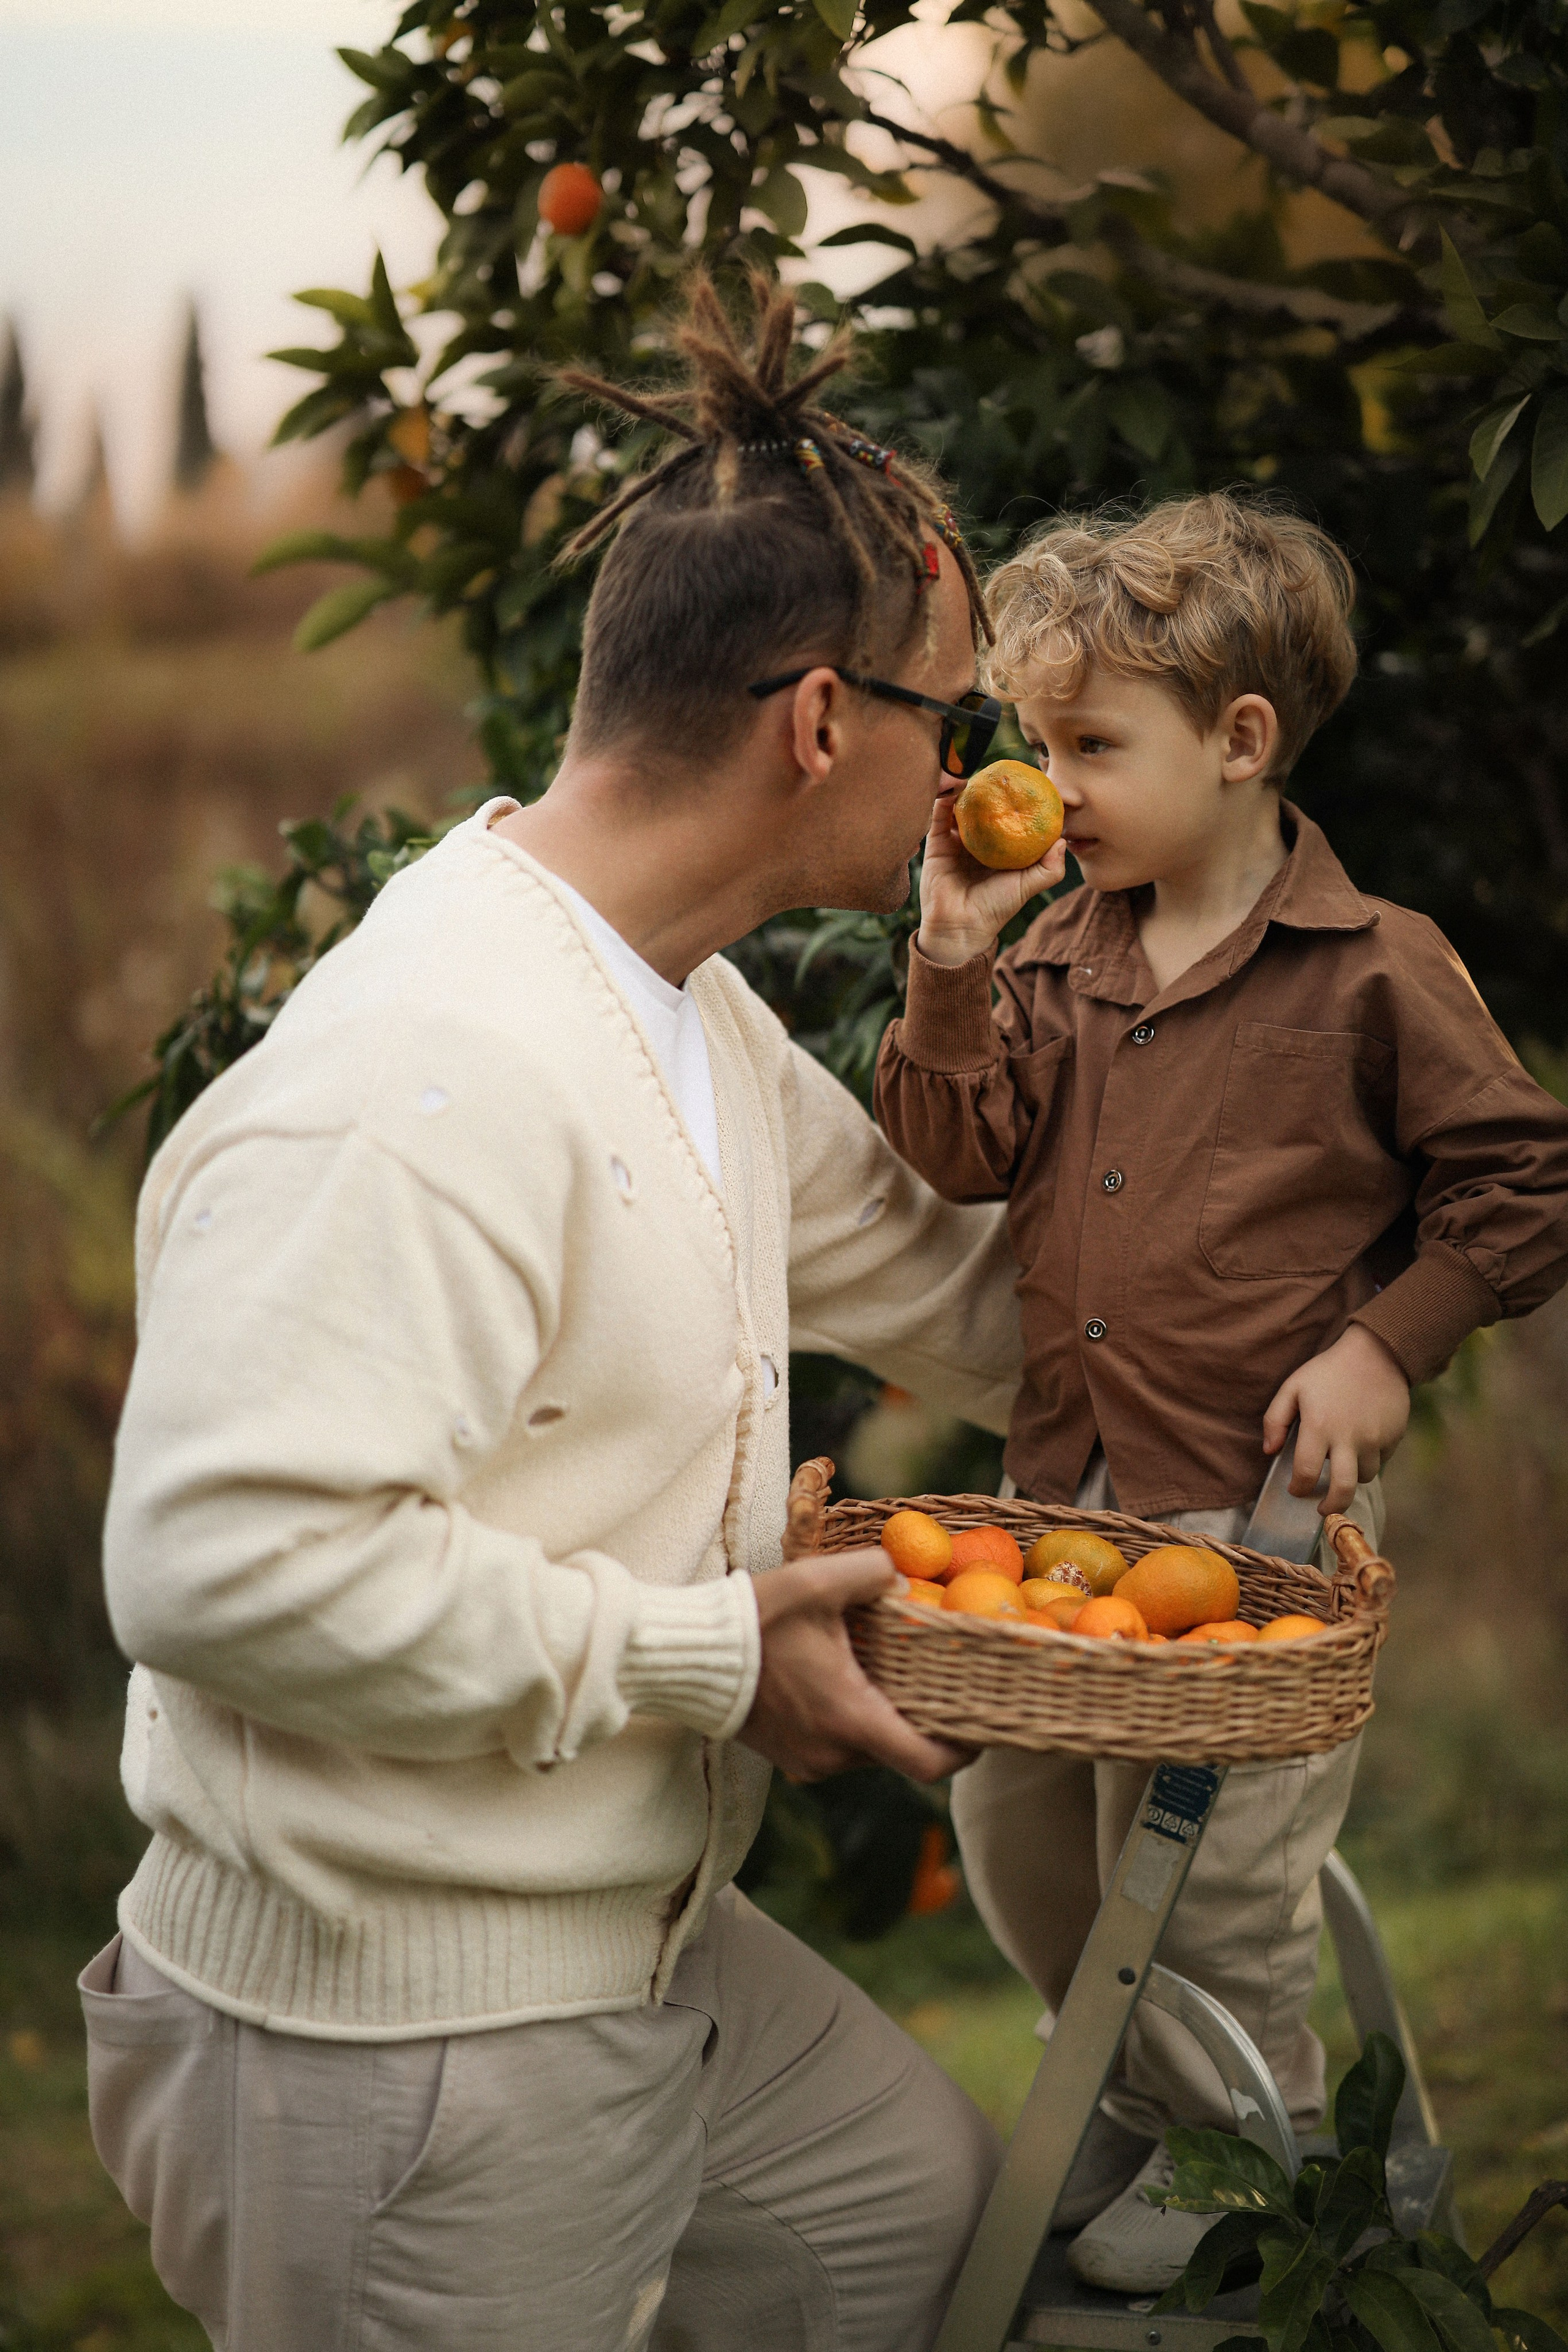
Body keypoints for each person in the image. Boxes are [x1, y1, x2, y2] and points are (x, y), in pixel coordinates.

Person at [81, 276, 1024, 2352]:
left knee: (914, 2230)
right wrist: (700, 1648)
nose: (972, 781)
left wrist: (1320, 1266)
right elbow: (216, 1564)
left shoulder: (682, 1010)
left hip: (634, 1930)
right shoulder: (422, 1082)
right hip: (392, 2022)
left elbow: (978, 1305)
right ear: (818, 722)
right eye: (954, 725)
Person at [874, 493, 1568, 2293]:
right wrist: (951, 957)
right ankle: (1131, 2087)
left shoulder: (1374, 969)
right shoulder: (1050, 958)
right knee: (1012, 1817)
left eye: (1091, 745)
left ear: (1242, 743)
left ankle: (1243, 2162)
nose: (1047, 784)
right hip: (1066, 1503)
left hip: (1256, 1522)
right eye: (1038, 742)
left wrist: (1384, 1341)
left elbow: (1526, 1182)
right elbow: (953, 1151)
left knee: (1201, 1876)